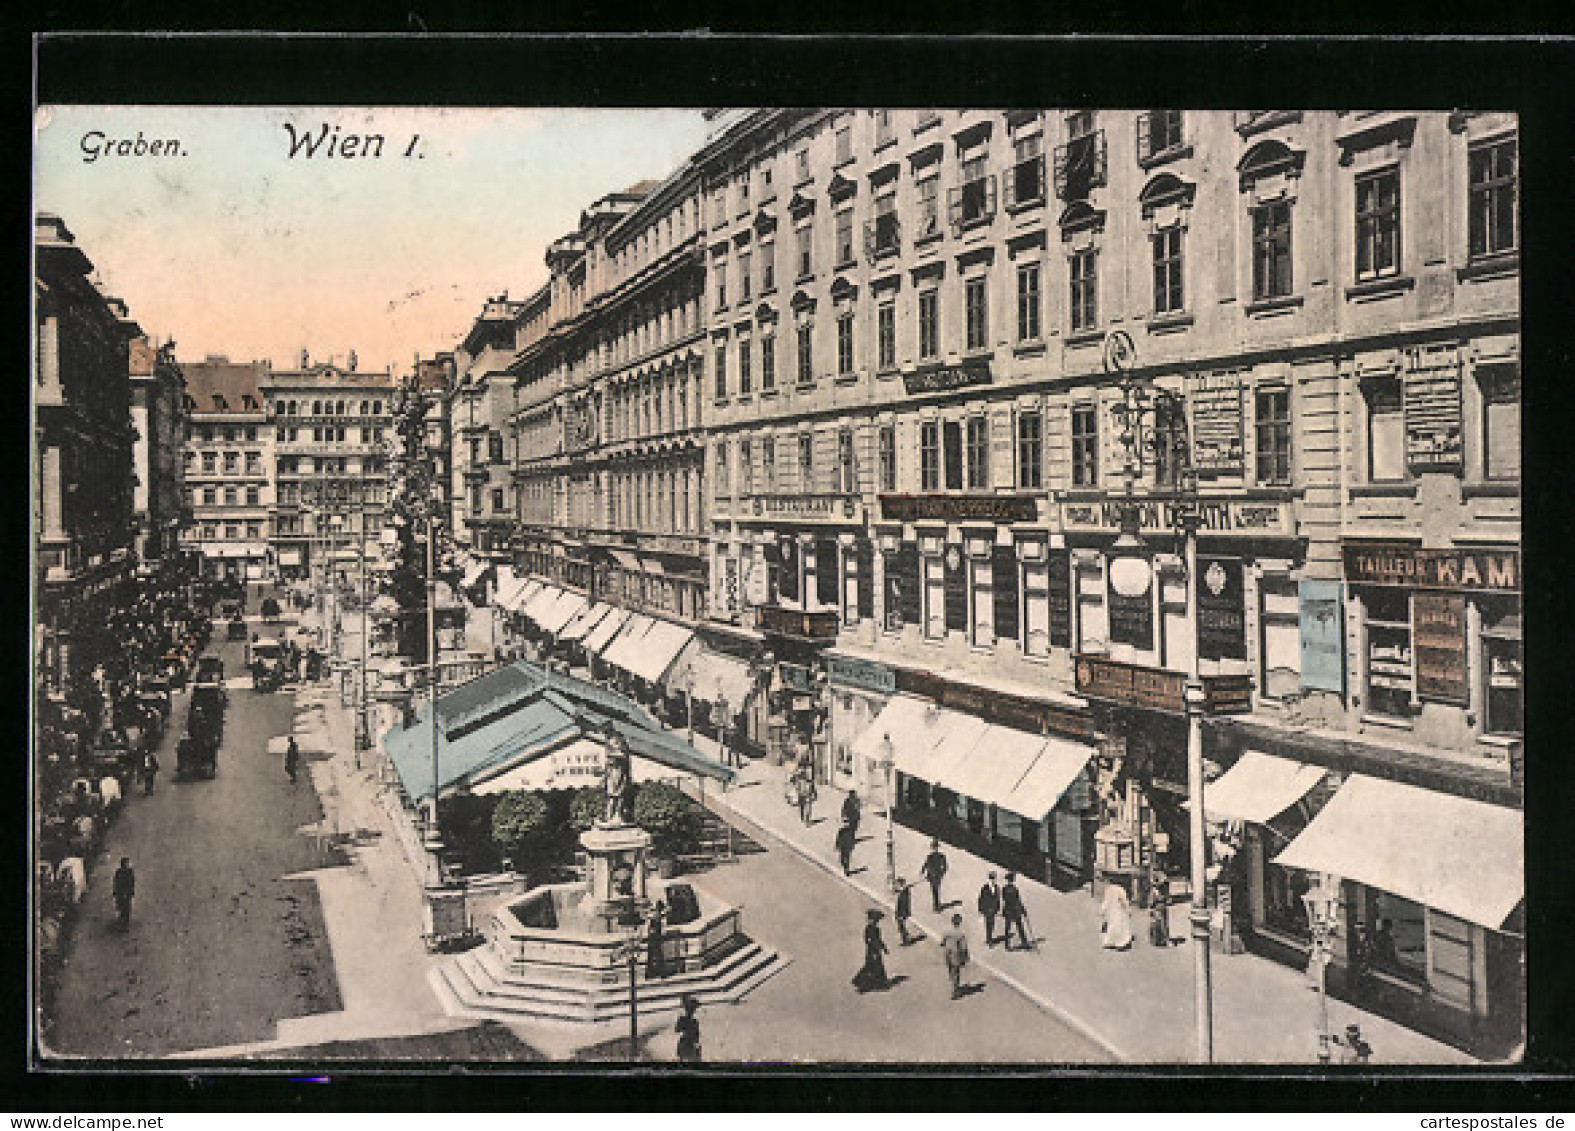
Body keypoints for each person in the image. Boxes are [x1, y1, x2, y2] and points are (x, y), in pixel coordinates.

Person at [852, 908, 890, 993]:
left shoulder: (873, 928)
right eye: (876, 919)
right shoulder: (871, 929)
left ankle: (880, 983)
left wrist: (884, 948)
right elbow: (871, 940)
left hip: (874, 950)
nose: (877, 921)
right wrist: (877, 950)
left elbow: (878, 940)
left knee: (874, 967)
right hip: (873, 951)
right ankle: (863, 985)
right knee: (872, 968)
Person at [940, 913, 970, 999]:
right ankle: (955, 990)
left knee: (950, 968)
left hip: (947, 952)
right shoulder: (960, 934)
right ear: (960, 922)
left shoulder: (947, 930)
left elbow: (942, 942)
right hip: (955, 953)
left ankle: (952, 982)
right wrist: (966, 957)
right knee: (956, 971)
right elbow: (963, 947)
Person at [1100, 881, 1135, 951]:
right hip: (1119, 910)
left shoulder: (1108, 889)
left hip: (1110, 910)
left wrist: (1103, 911)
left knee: (1111, 925)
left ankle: (1110, 942)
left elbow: (1105, 901)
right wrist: (1128, 910)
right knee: (1120, 927)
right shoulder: (1120, 889)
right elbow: (1124, 902)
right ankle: (1121, 944)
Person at [1001, 872, 1030, 951]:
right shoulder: (1011, 889)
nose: (1012, 881)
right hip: (1011, 910)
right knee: (1014, 926)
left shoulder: (1007, 889)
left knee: (1013, 927)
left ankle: (1020, 942)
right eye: (1012, 879)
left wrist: (1022, 909)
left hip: (1010, 910)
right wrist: (1022, 909)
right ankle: (1011, 944)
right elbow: (1015, 900)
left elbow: (1016, 900)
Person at [920, 839, 949, 913]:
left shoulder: (941, 856)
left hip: (937, 876)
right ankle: (936, 905)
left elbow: (945, 867)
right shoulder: (930, 856)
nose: (934, 849)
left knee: (936, 890)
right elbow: (926, 864)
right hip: (931, 876)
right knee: (934, 890)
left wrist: (941, 874)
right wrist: (923, 871)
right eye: (933, 847)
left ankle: (936, 906)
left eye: (935, 847)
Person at [977, 872, 1002, 946]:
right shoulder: (985, 888)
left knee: (992, 924)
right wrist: (980, 909)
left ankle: (989, 938)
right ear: (989, 879)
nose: (993, 880)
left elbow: (998, 899)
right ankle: (989, 939)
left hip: (993, 909)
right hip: (987, 909)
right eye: (991, 878)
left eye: (994, 878)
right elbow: (981, 899)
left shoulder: (997, 888)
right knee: (988, 924)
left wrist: (997, 908)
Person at [675, 995, 702, 1062]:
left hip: (689, 1043)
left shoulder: (694, 1021)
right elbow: (677, 1029)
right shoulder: (688, 1020)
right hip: (687, 1043)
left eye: (692, 1010)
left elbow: (677, 1030)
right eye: (691, 1009)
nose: (692, 1012)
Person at [646, 900, 669, 980]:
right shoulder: (657, 916)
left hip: (653, 938)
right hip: (655, 938)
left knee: (652, 956)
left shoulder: (655, 915)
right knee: (658, 956)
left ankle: (650, 973)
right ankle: (660, 973)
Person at [1149, 872, 1172, 948]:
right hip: (1158, 907)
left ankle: (1159, 940)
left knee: (1161, 923)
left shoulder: (1160, 891)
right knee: (1159, 924)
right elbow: (1152, 901)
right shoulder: (1156, 891)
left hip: (1160, 907)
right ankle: (1159, 940)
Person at [112, 857, 136, 929]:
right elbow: (116, 882)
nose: (127, 865)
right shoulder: (120, 872)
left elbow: (131, 882)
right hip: (121, 892)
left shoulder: (128, 872)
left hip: (125, 892)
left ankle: (125, 923)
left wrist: (131, 891)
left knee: (126, 908)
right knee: (122, 907)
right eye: (126, 863)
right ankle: (123, 922)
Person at [894, 878, 915, 944]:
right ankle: (906, 938)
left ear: (900, 884)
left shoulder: (904, 894)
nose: (896, 885)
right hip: (901, 913)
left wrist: (901, 915)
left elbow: (904, 905)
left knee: (901, 927)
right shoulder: (903, 891)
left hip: (902, 913)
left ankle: (906, 940)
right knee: (901, 927)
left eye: (897, 884)